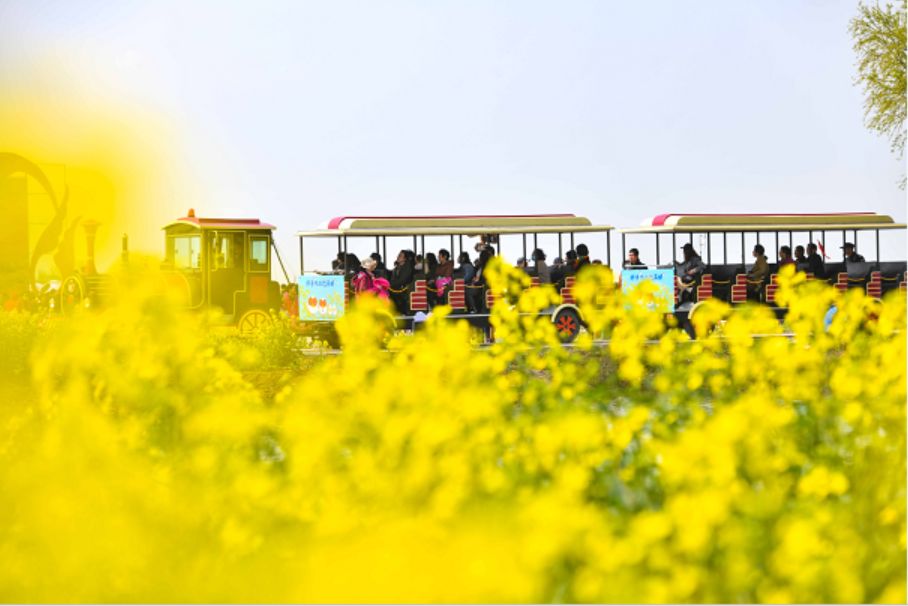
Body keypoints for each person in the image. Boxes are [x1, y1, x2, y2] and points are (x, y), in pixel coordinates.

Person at [389, 249, 415, 315]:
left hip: (403, 290)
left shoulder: (407, 267)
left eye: (400, 256)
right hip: (396, 289)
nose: (398, 257)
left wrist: (390, 285)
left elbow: (402, 280)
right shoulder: (397, 268)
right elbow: (393, 279)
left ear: (405, 259)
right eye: (398, 255)